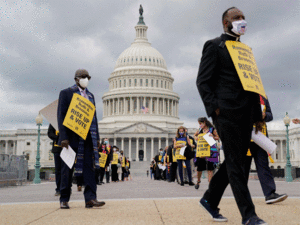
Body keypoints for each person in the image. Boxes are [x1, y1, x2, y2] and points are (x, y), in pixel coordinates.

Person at [196, 7, 267, 224]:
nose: (241, 21)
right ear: (225, 23)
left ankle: (209, 199)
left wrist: (257, 116)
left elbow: (253, 85)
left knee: (237, 163)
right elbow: (203, 81)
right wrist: (215, 109)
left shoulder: (245, 50)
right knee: (237, 164)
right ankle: (249, 215)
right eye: (236, 18)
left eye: (243, 17)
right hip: (226, 113)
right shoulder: (214, 46)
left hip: (246, 113)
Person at [57, 69, 105, 209]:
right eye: (83, 77)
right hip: (72, 137)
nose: (86, 79)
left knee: (89, 169)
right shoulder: (66, 93)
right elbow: (61, 115)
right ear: (76, 79)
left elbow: (93, 118)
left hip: (88, 137)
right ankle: (64, 198)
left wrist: (97, 138)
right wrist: (64, 137)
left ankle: (90, 198)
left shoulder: (90, 96)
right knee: (67, 168)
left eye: (88, 77)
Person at [245, 96, 288, 204]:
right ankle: (242, 196)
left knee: (263, 166)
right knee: (243, 168)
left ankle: (270, 194)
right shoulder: (241, 93)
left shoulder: (263, 97)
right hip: (245, 136)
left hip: (260, 136)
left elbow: (270, 115)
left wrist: (264, 115)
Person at [194, 117, 220, 189]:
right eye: (199, 124)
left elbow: (218, 137)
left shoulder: (212, 129)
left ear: (205, 122)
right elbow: (195, 135)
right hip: (201, 150)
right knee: (199, 168)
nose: (200, 125)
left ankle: (210, 185)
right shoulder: (199, 130)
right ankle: (198, 181)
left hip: (210, 150)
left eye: (201, 123)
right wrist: (196, 137)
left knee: (210, 168)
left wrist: (213, 136)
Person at [47, 124, 62, 196]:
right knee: (58, 170)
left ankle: (68, 187)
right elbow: (50, 133)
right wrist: (58, 137)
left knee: (68, 169)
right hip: (57, 149)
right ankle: (58, 189)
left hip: (68, 149)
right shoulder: (53, 121)